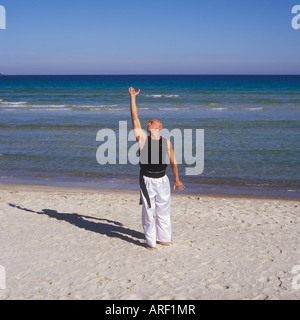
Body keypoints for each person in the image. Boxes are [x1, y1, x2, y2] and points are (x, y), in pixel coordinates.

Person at [128, 87, 185, 250]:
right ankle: (151, 242)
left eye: (151, 122)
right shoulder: (142, 139)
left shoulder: (166, 142)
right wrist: (133, 98)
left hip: (163, 180)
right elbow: (134, 117)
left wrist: (177, 179)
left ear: (158, 127)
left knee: (163, 210)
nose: (147, 123)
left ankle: (164, 238)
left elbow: (174, 162)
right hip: (147, 180)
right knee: (148, 211)